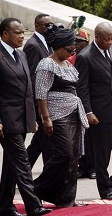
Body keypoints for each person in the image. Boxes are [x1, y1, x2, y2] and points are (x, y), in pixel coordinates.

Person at [0, 17, 52, 216]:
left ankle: (4, 207)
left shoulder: (20, 55)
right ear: (5, 34)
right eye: (17, 32)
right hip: (5, 122)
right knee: (22, 163)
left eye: (22, 32)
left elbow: (27, 88)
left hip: (22, 119)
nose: (22, 36)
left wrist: (33, 118)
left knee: (12, 164)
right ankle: (33, 206)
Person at [76, 22, 112, 200]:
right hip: (100, 114)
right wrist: (88, 112)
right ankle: (105, 189)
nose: (110, 41)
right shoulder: (85, 56)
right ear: (97, 37)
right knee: (102, 156)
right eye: (107, 39)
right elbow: (82, 88)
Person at [33, 25, 89, 208]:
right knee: (63, 154)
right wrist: (46, 118)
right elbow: (41, 93)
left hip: (73, 113)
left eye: (74, 49)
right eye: (69, 49)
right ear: (58, 47)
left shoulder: (67, 64)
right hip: (56, 116)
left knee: (74, 157)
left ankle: (67, 199)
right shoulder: (46, 64)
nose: (72, 52)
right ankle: (37, 188)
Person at [23, 13, 54, 167]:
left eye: (51, 25)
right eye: (46, 25)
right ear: (36, 26)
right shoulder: (33, 45)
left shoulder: (48, 43)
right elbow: (33, 76)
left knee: (40, 141)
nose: (50, 28)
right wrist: (39, 104)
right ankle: (48, 177)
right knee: (46, 140)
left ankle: (22, 171)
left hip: (48, 98)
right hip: (40, 101)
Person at [68, 28, 96, 180]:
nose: (76, 44)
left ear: (87, 42)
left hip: (88, 102)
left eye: (80, 41)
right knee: (80, 138)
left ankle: (92, 167)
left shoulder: (90, 56)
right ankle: (83, 166)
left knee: (90, 138)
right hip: (74, 102)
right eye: (75, 41)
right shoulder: (71, 57)